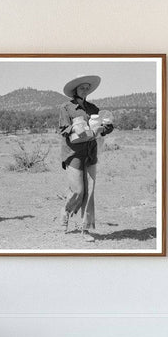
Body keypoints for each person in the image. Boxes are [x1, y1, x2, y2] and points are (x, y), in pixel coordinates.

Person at [59, 75, 114, 242]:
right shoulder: (66, 107)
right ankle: (66, 211)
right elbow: (63, 129)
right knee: (77, 190)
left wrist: (104, 128)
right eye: (81, 88)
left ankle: (86, 229)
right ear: (75, 90)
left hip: (91, 152)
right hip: (73, 153)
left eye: (86, 88)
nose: (84, 90)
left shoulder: (93, 108)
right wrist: (76, 128)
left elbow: (106, 126)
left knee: (89, 192)